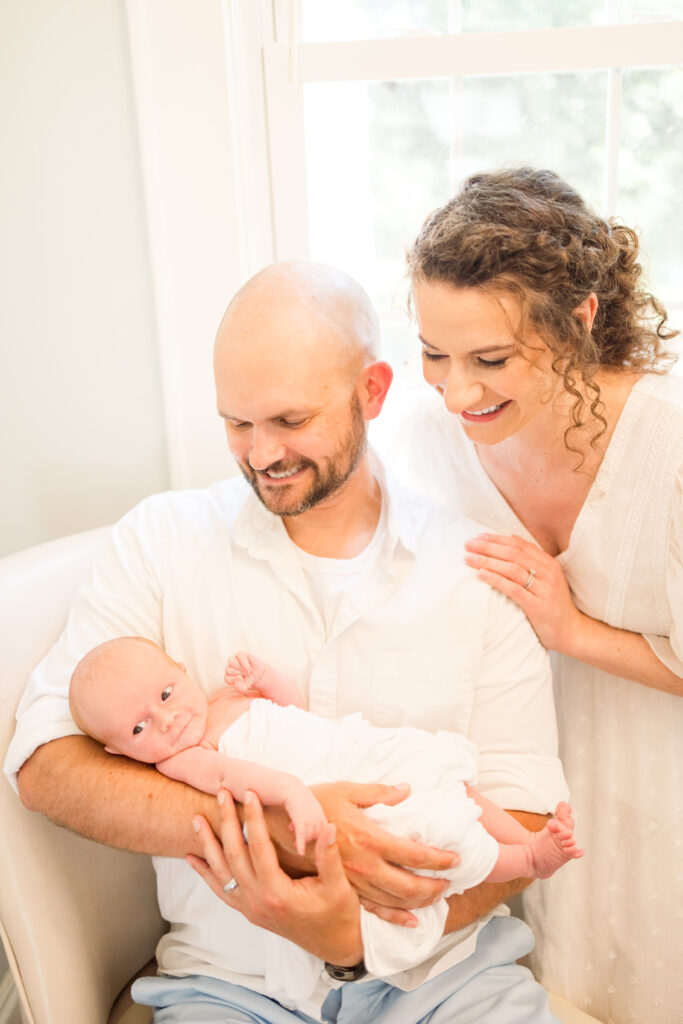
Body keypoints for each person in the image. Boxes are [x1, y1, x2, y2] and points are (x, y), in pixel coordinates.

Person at [6, 261, 569, 1024]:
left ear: (370, 392)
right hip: (228, 982)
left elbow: (525, 817)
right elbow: (46, 767)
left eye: (289, 421)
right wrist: (284, 829)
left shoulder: (476, 570)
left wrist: (362, 936)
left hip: (441, 973)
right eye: (236, 423)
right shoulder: (162, 540)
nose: (260, 454)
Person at [385, 166, 683, 1024]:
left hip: (660, 789)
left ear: (579, 322)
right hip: (518, 808)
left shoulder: (665, 447)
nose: (457, 392)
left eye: (491, 359)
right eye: (434, 355)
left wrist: (570, 627)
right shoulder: (423, 442)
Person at [69, 634, 582, 999]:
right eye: (139, 729)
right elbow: (238, 779)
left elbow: (297, 711)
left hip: (355, 756)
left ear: (181, 671)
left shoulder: (226, 701)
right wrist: (293, 794)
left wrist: (265, 680)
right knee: (435, 837)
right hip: (318, 795)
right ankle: (520, 861)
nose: (168, 720)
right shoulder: (183, 759)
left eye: (165, 695)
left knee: (452, 785)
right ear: (115, 752)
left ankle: (532, 849)